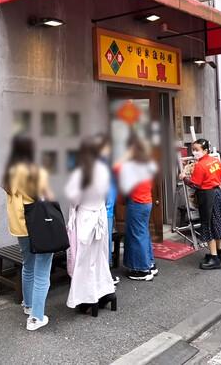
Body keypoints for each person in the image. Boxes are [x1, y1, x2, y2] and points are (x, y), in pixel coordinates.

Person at [3, 135, 54, 331]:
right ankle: (36, 318)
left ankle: (28, 305)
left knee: (28, 264)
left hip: (20, 226)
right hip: (38, 225)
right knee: (43, 269)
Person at [64, 138, 116, 315]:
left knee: (84, 262)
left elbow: (73, 197)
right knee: (99, 259)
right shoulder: (103, 170)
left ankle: (88, 298)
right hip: (99, 215)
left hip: (86, 218)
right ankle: (106, 291)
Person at [180, 139, 221, 270]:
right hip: (218, 194)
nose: (195, 152)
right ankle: (219, 252)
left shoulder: (200, 165)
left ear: (205, 150)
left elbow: (195, 184)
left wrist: (184, 178)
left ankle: (214, 258)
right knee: (218, 223)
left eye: (197, 150)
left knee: (209, 225)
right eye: (193, 150)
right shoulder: (215, 161)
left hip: (207, 196)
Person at [117, 136, 158, 281]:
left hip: (137, 202)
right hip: (146, 200)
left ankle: (140, 270)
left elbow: (116, 168)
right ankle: (149, 264)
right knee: (143, 233)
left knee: (136, 234)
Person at [96, 134, 120, 285]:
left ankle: (104, 274)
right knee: (104, 242)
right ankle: (105, 276)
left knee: (103, 242)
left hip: (103, 209)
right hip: (103, 210)